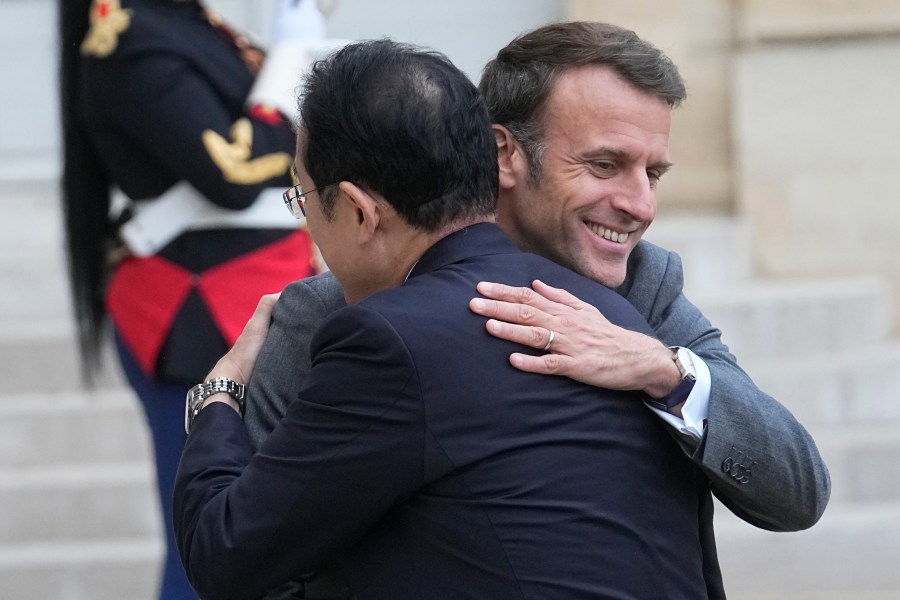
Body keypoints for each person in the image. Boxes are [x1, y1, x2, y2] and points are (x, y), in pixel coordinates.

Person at [174, 39, 719, 600]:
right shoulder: (611, 316)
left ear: (361, 212)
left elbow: (225, 554)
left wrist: (217, 396)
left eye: (303, 199)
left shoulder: (388, 339)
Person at [245, 20, 830, 536]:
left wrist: (664, 371)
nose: (640, 204)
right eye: (605, 165)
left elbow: (797, 493)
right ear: (504, 154)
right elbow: (249, 542)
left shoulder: (645, 295)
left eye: (653, 173)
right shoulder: (332, 314)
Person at [58, 1, 334, 597]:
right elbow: (233, 172)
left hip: (265, 289)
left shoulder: (196, 27)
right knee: (208, 538)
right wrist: (291, 54)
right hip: (198, 311)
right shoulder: (128, 41)